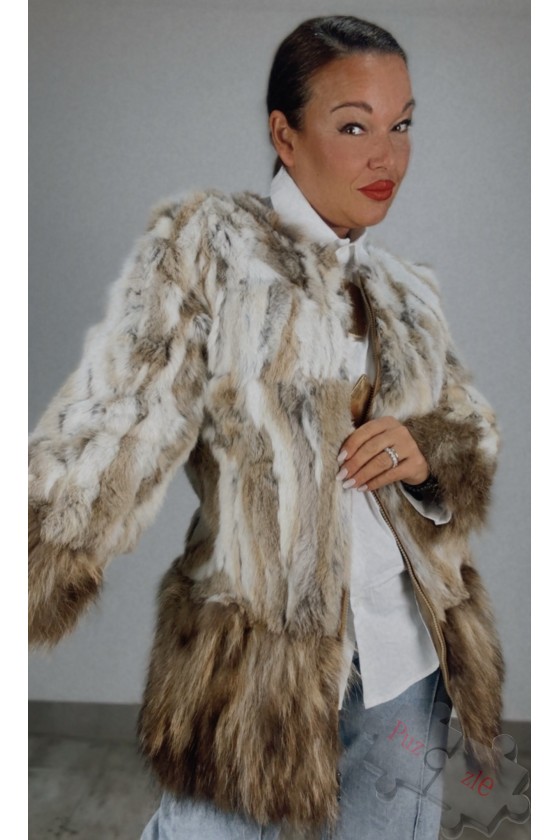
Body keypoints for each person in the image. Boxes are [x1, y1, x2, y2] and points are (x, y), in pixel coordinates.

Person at [28, 15, 505, 840]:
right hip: (255, 672)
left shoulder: (403, 291)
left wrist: (431, 450)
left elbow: (471, 425)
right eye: (353, 126)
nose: (387, 157)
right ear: (285, 134)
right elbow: (121, 415)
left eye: (401, 126)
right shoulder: (212, 249)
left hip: (408, 663)